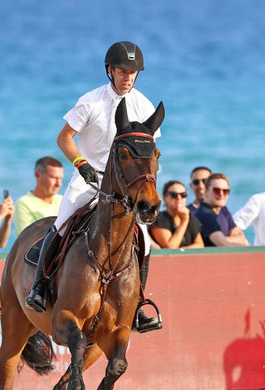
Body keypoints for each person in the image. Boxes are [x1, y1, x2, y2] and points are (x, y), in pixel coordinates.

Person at [25, 41, 162, 332]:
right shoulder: (91, 101)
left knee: (146, 242)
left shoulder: (145, 105)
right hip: (89, 178)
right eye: (123, 71)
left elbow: (148, 153)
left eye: (133, 72)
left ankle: (137, 306)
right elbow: (64, 138)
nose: (128, 77)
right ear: (110, 71)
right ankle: (38, 287)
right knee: (62, 223)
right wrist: (80, 163)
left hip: (125, 185)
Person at [13, 156, 64, 237]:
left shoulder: (63, 200)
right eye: (53, 178)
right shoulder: (24, 203)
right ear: (37, 175)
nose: (58, 184)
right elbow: (26, 239)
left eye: (60, 178)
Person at [196, 173, 249, 247]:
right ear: (206, 191)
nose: (221, 194)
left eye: (225, 191)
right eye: (216, 190)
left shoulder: (223, 210)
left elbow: (242, 239)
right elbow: (224, 245)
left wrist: (226, 239)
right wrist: (246, 247)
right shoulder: (205, 215)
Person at [149, 180, 204, 249]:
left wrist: (182, 251)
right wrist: (184, 221)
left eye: (183, 195)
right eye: (174, 195)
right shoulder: (158, 218)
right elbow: (170, 247)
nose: (179, 198)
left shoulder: (190, 217)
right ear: (164, 198)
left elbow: (200, 245)